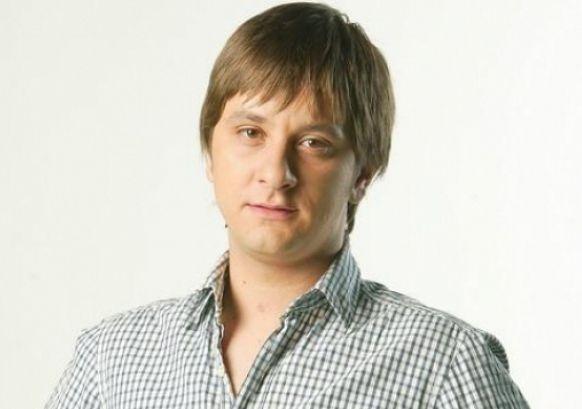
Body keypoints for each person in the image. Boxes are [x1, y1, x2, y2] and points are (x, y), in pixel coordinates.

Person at [45, 2, 530, 408]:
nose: (276, 173)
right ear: (210, 152)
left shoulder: (445, 364)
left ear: (362, 173)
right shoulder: (110, 361)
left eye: (315, 143)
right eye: (250, 133)